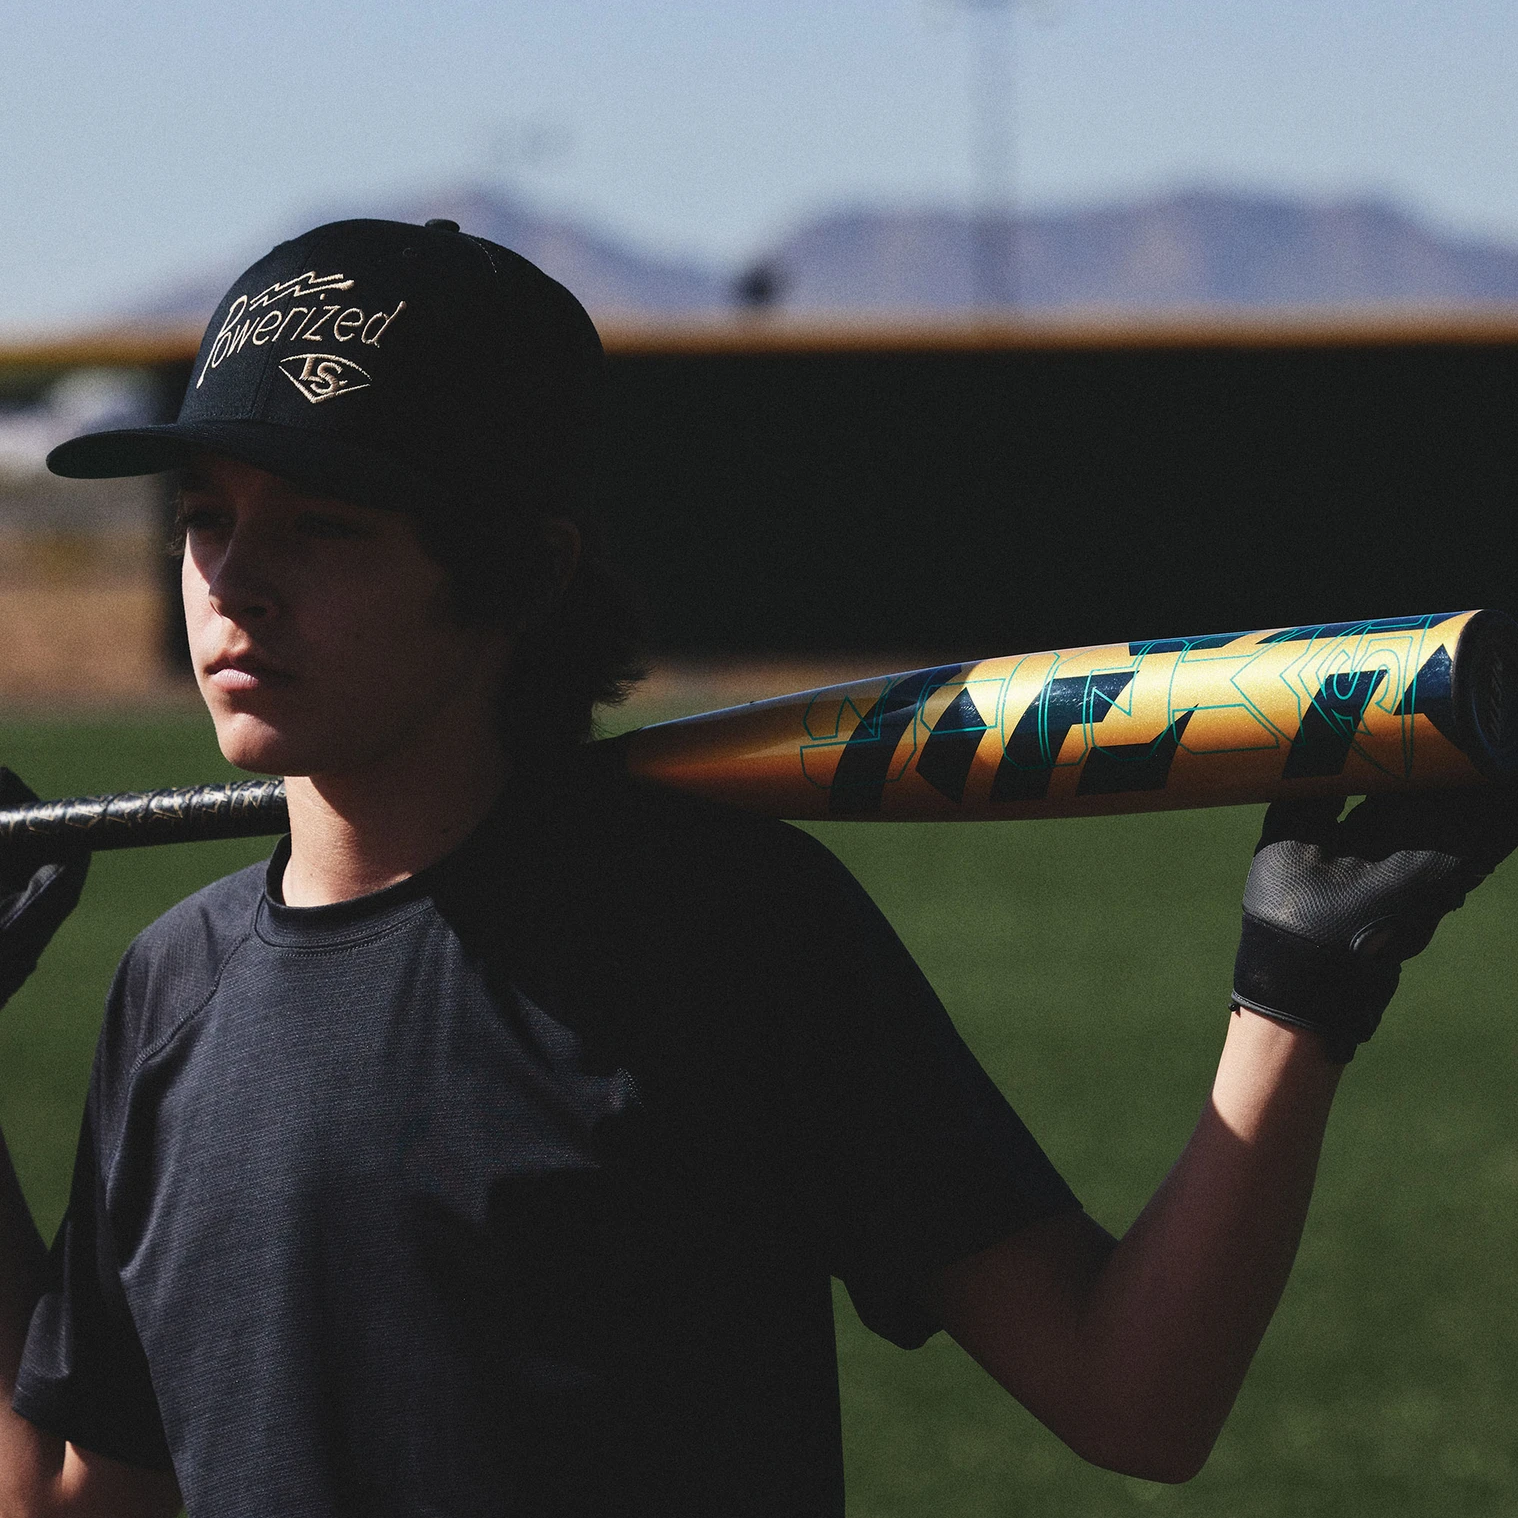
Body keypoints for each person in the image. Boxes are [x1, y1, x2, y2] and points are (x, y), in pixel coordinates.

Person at [0, 217, 1512, 1518]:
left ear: (517, 571)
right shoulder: (172, 983)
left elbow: (1131, 1397)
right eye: (206, 520)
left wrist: (1296, 991)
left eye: (319, 528)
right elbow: (75, 1495)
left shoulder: (722, 929)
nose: (229, 583)